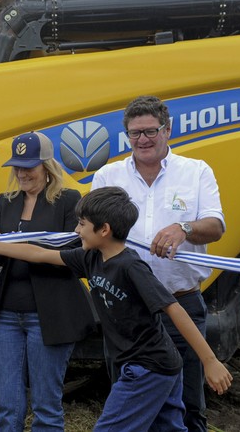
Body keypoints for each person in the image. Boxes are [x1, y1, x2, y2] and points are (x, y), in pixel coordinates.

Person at [0, 186, 233, 431]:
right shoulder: (90, 258)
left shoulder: (131, 267)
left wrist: (210, 362)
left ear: (103, 230)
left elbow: (174, 310)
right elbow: (38, 254)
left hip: (148, 366)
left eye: (82, 224)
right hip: (151, 365)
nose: (76, 231)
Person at [91, 95, 225, 432]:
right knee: (129, 403)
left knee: (189, 406)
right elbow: (91, 233)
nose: (143, 140)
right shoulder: (108, 176)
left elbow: (216, 226)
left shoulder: (195, 172)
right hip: (127, 312)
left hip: (181, 302)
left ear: (167, 130)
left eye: (150, 131)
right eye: (135, 134)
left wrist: (184, 228)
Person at [0, 131, 96, 431]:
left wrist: (2, 245)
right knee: (8, 406)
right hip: (7, 314)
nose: (22, 173)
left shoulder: (69, 201)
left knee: (46, 406)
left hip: (51, 314)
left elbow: (70, 255)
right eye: (17, 166)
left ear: (47, 166)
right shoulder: (6, 203)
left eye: (29, 166)